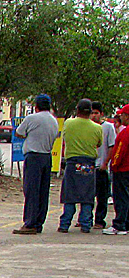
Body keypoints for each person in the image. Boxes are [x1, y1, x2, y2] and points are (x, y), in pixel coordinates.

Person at [12, 94, 59, 235]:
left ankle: (30, 222)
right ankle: (39, 222)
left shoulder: (32, 118)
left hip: (33, 156)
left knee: (31, 190)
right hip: (47, 156)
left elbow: (19, 133)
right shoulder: (54, 121)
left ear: (36, 106)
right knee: (43, 191)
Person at [58, 99, 103, 234]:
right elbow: (99, 144)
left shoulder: (69, 123)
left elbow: (65, 137)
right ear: (90, 112)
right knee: (87, 194)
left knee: (70, 194)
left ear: (77, 110)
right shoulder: (97, 127)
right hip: (88, 164)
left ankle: (65, 224)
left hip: (72, 163)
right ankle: (85, 223)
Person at [103, 103, 129, 235]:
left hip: (123, 170)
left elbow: (119, 151)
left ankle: (119, 224)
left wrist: (114, 164)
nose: (120, 117)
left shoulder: (125, 133)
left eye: (122, 115)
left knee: (121, 197)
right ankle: (126, 222)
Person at [89, 102, 116, 229]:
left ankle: (99, 220)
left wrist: (105, 163)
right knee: (87, 194)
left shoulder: (108, 127)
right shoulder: (87, 126)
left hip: (101, 166)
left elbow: (111, 146)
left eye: (96, 113)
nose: (94, 116)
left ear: (101, 114)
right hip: (89, 165)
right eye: (92, 113)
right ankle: (85, 218)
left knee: (102, 195)